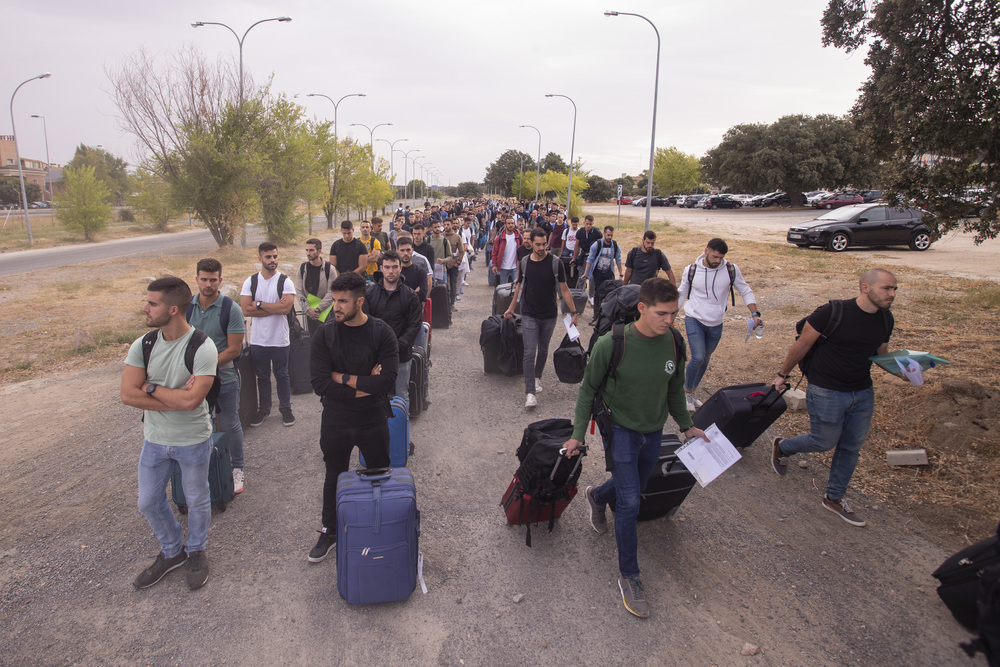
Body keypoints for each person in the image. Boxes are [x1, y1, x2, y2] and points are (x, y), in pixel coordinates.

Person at [562, 278, 707, 618]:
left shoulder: (673, 341)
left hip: (653, 430)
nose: (669, 321)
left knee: (638, 487)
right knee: (629, 504)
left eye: (674, 313)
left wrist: (686, 427)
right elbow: (587, 392)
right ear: (641, 308)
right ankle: (630, 576)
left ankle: (597, 496)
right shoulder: (613, 344)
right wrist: (578, 434)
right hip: (621, 430)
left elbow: (675, 390)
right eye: (662, 313)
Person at [770, 268, 897, 528]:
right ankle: (783, 447)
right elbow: (802, 345)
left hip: (862, 392)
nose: (892, 294)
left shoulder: (886, 319)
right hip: (826, 390)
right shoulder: (831, 312)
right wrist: (782, 374)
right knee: (823, 441)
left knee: (851, 447)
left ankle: (834, 497)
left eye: (894, 289)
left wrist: (904, 372)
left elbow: (881, 354)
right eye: (886, 288)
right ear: (865, 287)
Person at [122, 277, 218, 591]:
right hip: (154, 438)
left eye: (152, 303)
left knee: (197, 499)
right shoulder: (144, 344)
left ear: (173, 309)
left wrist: (149, 387)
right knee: (148, 501)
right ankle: (172, 550)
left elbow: (193, 402)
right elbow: (127, 394)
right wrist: (169, 395)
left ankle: (196, 551)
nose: (145, 308)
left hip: (192, 439)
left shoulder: (202, 347)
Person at [307, 272, 398, 563]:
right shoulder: (325, 333)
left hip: (373, 419)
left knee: (379, 475)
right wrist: (362, 385)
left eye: (342, 301)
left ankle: (380, 527)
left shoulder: (381, 333)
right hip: (335, 420)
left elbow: (387, 383)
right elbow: (320, 384)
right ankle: (329, 531)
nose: (336, 307)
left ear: (360, 301)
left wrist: (343, 378)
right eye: (334, 300)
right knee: (334, 476)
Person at [677, 238, 760, 412]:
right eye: (714, 256)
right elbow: (682, 292)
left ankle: (692, 392)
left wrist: (754, 313)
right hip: (694, 318)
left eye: (720, 258)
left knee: (705, 359)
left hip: (716, 322)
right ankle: (685, 394)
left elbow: (745, 290)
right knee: (698, 357)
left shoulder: (730, 269)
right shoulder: (691, 270)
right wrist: (670, 315)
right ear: (706, 251)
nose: (717, 261)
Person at [186, 258, 247, 493]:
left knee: (230, 423)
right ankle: (207, 468)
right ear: (197, 279)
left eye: (213, 280)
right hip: (194, 378)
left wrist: (204, 367)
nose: (208, 284)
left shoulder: (230, 308)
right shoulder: (187, 307)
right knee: (202, 423)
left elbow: (234, 349)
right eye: (204, 279)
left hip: (225, 376)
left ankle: (237, 468)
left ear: (220, 280)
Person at [503, 227, 580, 407]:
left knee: (543, 349)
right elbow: (519, 288)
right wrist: (511, 308)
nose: (541, 248)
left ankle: (537, 377)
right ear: (531, 243)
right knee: (529, 352)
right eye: (538, 244)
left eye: (544, 244)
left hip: (549, 315)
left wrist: (574, 312)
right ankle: (530, 392)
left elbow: (564, 289)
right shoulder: (524, 263)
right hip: (529, 313)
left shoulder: (555, 263)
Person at [240, 242, 297, 427]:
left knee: (282, 374)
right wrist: (274, 307)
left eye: (275, 256)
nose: (272, 260)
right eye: (268, 257)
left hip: (280, 338)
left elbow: (286, 308)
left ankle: (285, 408)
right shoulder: (251, 282)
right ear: (260, 259)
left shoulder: (285, 281)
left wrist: (259, 304)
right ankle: (264, 409)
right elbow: (245, 310)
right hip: (258, 339)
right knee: (262, 376)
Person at [365, 249, 422, 399]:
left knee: (401, 395)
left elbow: (414, 325)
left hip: (401, 355)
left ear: (400, 268)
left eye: (395, 267)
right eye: (387, 267)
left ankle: (402, 422)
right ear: (381, 268)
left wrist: (397, 345)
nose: (391, 271)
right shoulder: (370, 294)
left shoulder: (410, 296)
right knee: (375, 395)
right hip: (376, 356)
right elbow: (365, 323)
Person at [294, 238, 337, 336]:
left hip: (326, 312)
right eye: (307, 250)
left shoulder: (329, 269)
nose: (308, 253)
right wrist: (308, 309)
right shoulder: (302, 269)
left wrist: (318, 309)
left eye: (311, 250)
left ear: (319, 251)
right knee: (311, 340)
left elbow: (332, 292)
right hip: (309, 313)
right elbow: (299, 291)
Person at [583, 226, 624, 304]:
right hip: (598, 273)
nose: (610, 237)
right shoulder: (596, 245)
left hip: (609, 272)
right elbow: (590, 260)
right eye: (608, 235)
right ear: (604, 233)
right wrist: (586, 273)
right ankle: (596, 313)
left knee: (610, 293)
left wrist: (620, 274)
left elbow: (618, 260)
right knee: (598, 293)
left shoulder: (615, 245)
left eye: (611, 235)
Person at [574, 215, 602, 302]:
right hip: (583, 256)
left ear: (593, 223)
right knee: (581, 276)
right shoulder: (580, 232)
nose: (588, 226)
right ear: (584, 222)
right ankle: (580, 294)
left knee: (592, 278)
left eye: (590, 224)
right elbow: (577, 245)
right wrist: (574, 257)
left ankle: (591, 296)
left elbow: (601, 245)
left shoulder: (597, 232)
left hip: (593, 257)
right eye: (587, 224)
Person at [490, 215, 520, 284]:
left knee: (517, 285)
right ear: (505, 225)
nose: (511, 225)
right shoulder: (499, 238)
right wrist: (494, 265)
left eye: (512, 223)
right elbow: (494, 252)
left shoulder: (518, 237)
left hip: (515, 266)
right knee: (503, 287)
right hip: (503, 267)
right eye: (509, 223)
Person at [443, 218, 466, 307]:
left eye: (448, 224)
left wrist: (458, 262)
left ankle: (452, 303)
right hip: (443, 264)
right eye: (444, 225)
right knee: (444, 284)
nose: (446, 226)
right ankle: (444, 303)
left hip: (453, 264)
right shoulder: (441, 236)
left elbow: (461, 250)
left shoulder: (457, 237)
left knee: (453, 284)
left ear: (452, 225)